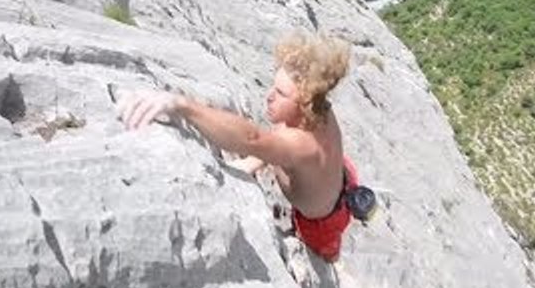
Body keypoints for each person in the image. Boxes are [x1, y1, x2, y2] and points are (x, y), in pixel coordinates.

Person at [117, 30, 356, 262]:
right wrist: (255, 161)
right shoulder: (319, 105)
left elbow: (253, 139)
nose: (269, 96)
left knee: (327, 253)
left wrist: (183, 106)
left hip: (322, 223)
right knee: (283, 135)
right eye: (273, 87)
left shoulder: (303, 145)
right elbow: (278, 140)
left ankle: (332, 259)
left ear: (305, 102)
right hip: (341, 177)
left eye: (281, 94)